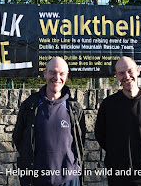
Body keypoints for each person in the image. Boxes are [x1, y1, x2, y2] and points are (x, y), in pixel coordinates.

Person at [95, 56, 141, 186]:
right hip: (118, 178)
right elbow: (101, 136)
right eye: (121, 73)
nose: (127, 76)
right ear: (116, 76)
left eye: (130, 71)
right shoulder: (108, 105)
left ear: (138, 71)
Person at [13, 57, 85, 186]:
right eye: (53, 72)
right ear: (45, 73)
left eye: (62, 73)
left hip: (69, 180)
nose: (57, 78)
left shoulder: (74, 108)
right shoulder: (30, 105)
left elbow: (80, 141)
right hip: (37, 180)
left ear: (67, 76)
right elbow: (18, 138)